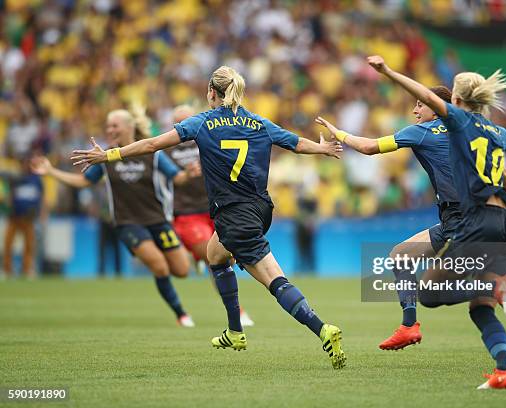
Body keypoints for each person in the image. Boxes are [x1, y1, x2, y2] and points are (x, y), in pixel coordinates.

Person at [71, 66, 347, 369]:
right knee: (214, 254)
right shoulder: (259, 122)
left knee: (273, 278)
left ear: (211, 93)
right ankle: (235, 331)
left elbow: (151, 145)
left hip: (233, 214)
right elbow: (294, 143)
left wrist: (110, 155)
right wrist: (321, 148)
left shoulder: (202, 123)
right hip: (259, 208)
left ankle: (322, 329)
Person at [316, 83, 506, 369]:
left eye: (420, 104)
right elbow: (505, 173)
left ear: (438, 106)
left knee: (468, 292)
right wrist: (505, 210)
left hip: (464, 222)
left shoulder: (424, 131)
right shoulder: (474, 130)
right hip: (488, 218)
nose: (415, 109)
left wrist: (338, 132)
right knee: (402, 256)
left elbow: (368, 147)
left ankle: (418, 324)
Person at [364, 55, 506, 389]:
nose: (418, 108)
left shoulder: (458, 123)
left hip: (473, 222)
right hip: (505, 220)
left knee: (432, 292)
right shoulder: (496, 131)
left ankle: (426, 318)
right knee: (480, 308)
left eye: (422, 105)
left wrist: (387, 71)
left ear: (457, 102)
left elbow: (430, 99)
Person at [32, 107, 199, 327]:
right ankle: (181, 314)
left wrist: (188, 174)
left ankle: (194, 259)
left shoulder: (151, 153)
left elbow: (177, 179)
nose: (110, 130)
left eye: (115, 125)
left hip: (158, 220)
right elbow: (83, 181)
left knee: (182, 270)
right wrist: (52, 172)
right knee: (159, 266)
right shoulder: (105, 156)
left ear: (129, 127)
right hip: (127, 223)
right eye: (108, 126)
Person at [169, 104, 254, 326]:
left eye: (186, 120)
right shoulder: (167, 150)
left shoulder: (209, 140)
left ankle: (198, 257)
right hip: (186, 214)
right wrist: (185, 176)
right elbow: (169, 179)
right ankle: (238, 311)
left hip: (214, 209)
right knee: (214, 259)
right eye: (178, 123)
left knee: (229, 259)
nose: (183, 126)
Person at [2, 157, 46, 279]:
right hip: (14, 217)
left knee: (29, 246)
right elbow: (9, 196)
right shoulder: (15, 179)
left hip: (29, 218)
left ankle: (26, 270)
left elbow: (42, 198)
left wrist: (42, 214)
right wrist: (8, 204)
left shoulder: (36, 179)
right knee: (8, 245)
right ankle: (7, 270)